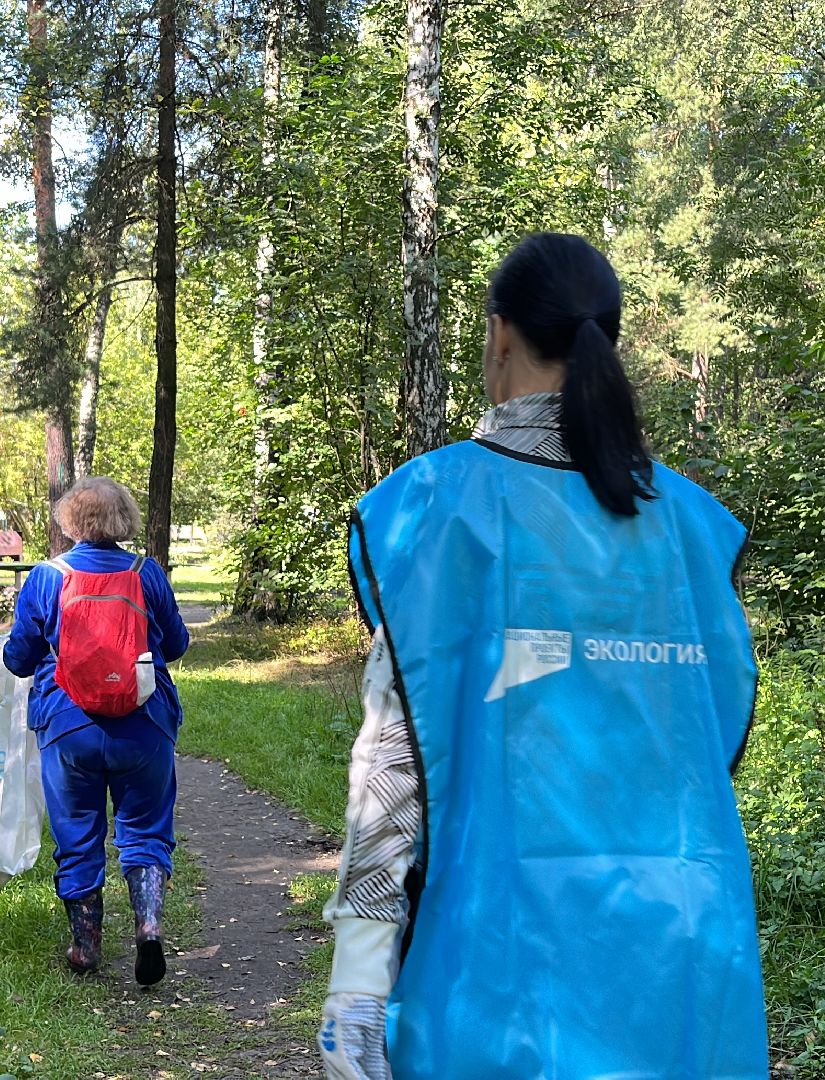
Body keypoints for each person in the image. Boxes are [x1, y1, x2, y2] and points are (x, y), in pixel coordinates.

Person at [318, 233, 767, 1078]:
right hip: (686, 957)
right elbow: (719, 735)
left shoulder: (432, 510)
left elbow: (395, 762)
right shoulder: (690, 526)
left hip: (503, 958)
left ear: (499, 336)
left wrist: (357, 984)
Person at [2, 478, 190, 986]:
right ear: (122, 519)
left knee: (77, 832)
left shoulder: (45, 578)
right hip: (144, 725)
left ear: (71, 522)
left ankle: (85, 945)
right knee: (146, 830)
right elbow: (175, 645)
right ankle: (148, 926)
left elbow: (18, 659)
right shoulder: (147, 574)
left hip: (68, 729)